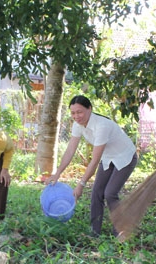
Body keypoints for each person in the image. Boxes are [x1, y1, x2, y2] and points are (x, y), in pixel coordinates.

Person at [46, 95, 138, 237]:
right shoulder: (78, 125)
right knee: (96, 193)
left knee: (110, 193)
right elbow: (70, 150)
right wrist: (57, 173)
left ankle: (121, 231)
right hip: (109, 158)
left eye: (80, 112)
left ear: (90, 109)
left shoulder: (102, 126)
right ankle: (95, 232)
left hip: (125, 157)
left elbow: (94, 161)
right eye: (73, 113)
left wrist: (81, 184)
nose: (76, 116)